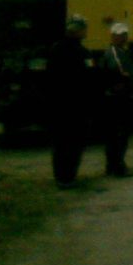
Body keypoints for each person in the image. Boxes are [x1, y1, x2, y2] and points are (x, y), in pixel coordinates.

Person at [47, 14, 98, 188]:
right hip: (78, 105)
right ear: (79, 31)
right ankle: (69, 176)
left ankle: (61, 177)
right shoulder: (82, 53)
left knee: (60, 142)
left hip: (58, 104)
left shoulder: (54, 50)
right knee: (76, 141)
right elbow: (90, 78)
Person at [101, 22, 133, 178]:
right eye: (119, 36)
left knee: (118, 134)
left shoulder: (124, 52)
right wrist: (122, 82)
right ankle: (117, 166)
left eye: (124, 35)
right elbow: (118, 71)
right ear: (113, 37)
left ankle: (114, 165)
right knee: (118, 134)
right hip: (117, 98)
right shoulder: (113, 53)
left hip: (122, 96)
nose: (122, 38)